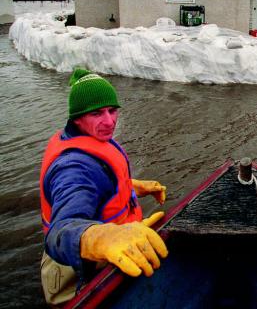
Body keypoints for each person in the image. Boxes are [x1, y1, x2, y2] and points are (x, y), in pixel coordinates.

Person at [39, 68, 168, 306]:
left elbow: (102, 184)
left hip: (110, 253)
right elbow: (61, 230)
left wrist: (133, 187)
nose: (109, 121)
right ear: (77, 118)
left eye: (112, 110)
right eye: (97, 113)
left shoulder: (89, 138)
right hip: (76, 271)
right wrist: (101, 238)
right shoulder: (73, 168)